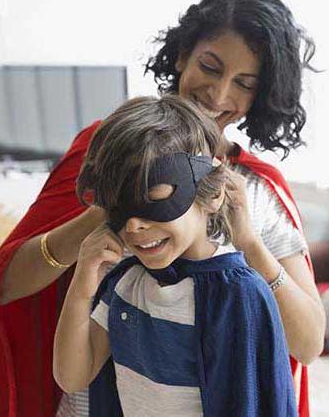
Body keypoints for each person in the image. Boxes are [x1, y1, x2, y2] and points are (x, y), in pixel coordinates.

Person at [0, 0, 324, 416]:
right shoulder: (108, 151)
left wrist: (251, 245)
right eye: (211, 67)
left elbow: (307, 345)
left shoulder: (255, 190)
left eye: (244, 83)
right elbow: (9, 285)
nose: (218, 94)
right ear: (183, 56)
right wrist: (109, 206)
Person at [53, 95, 298, 417]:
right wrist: (82, 287)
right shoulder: (127, 281)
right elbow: (72, 377)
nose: (134, 225)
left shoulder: (238, 294)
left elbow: (256, 401)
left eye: (153, 199)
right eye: (119, 207)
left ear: (211, 194)